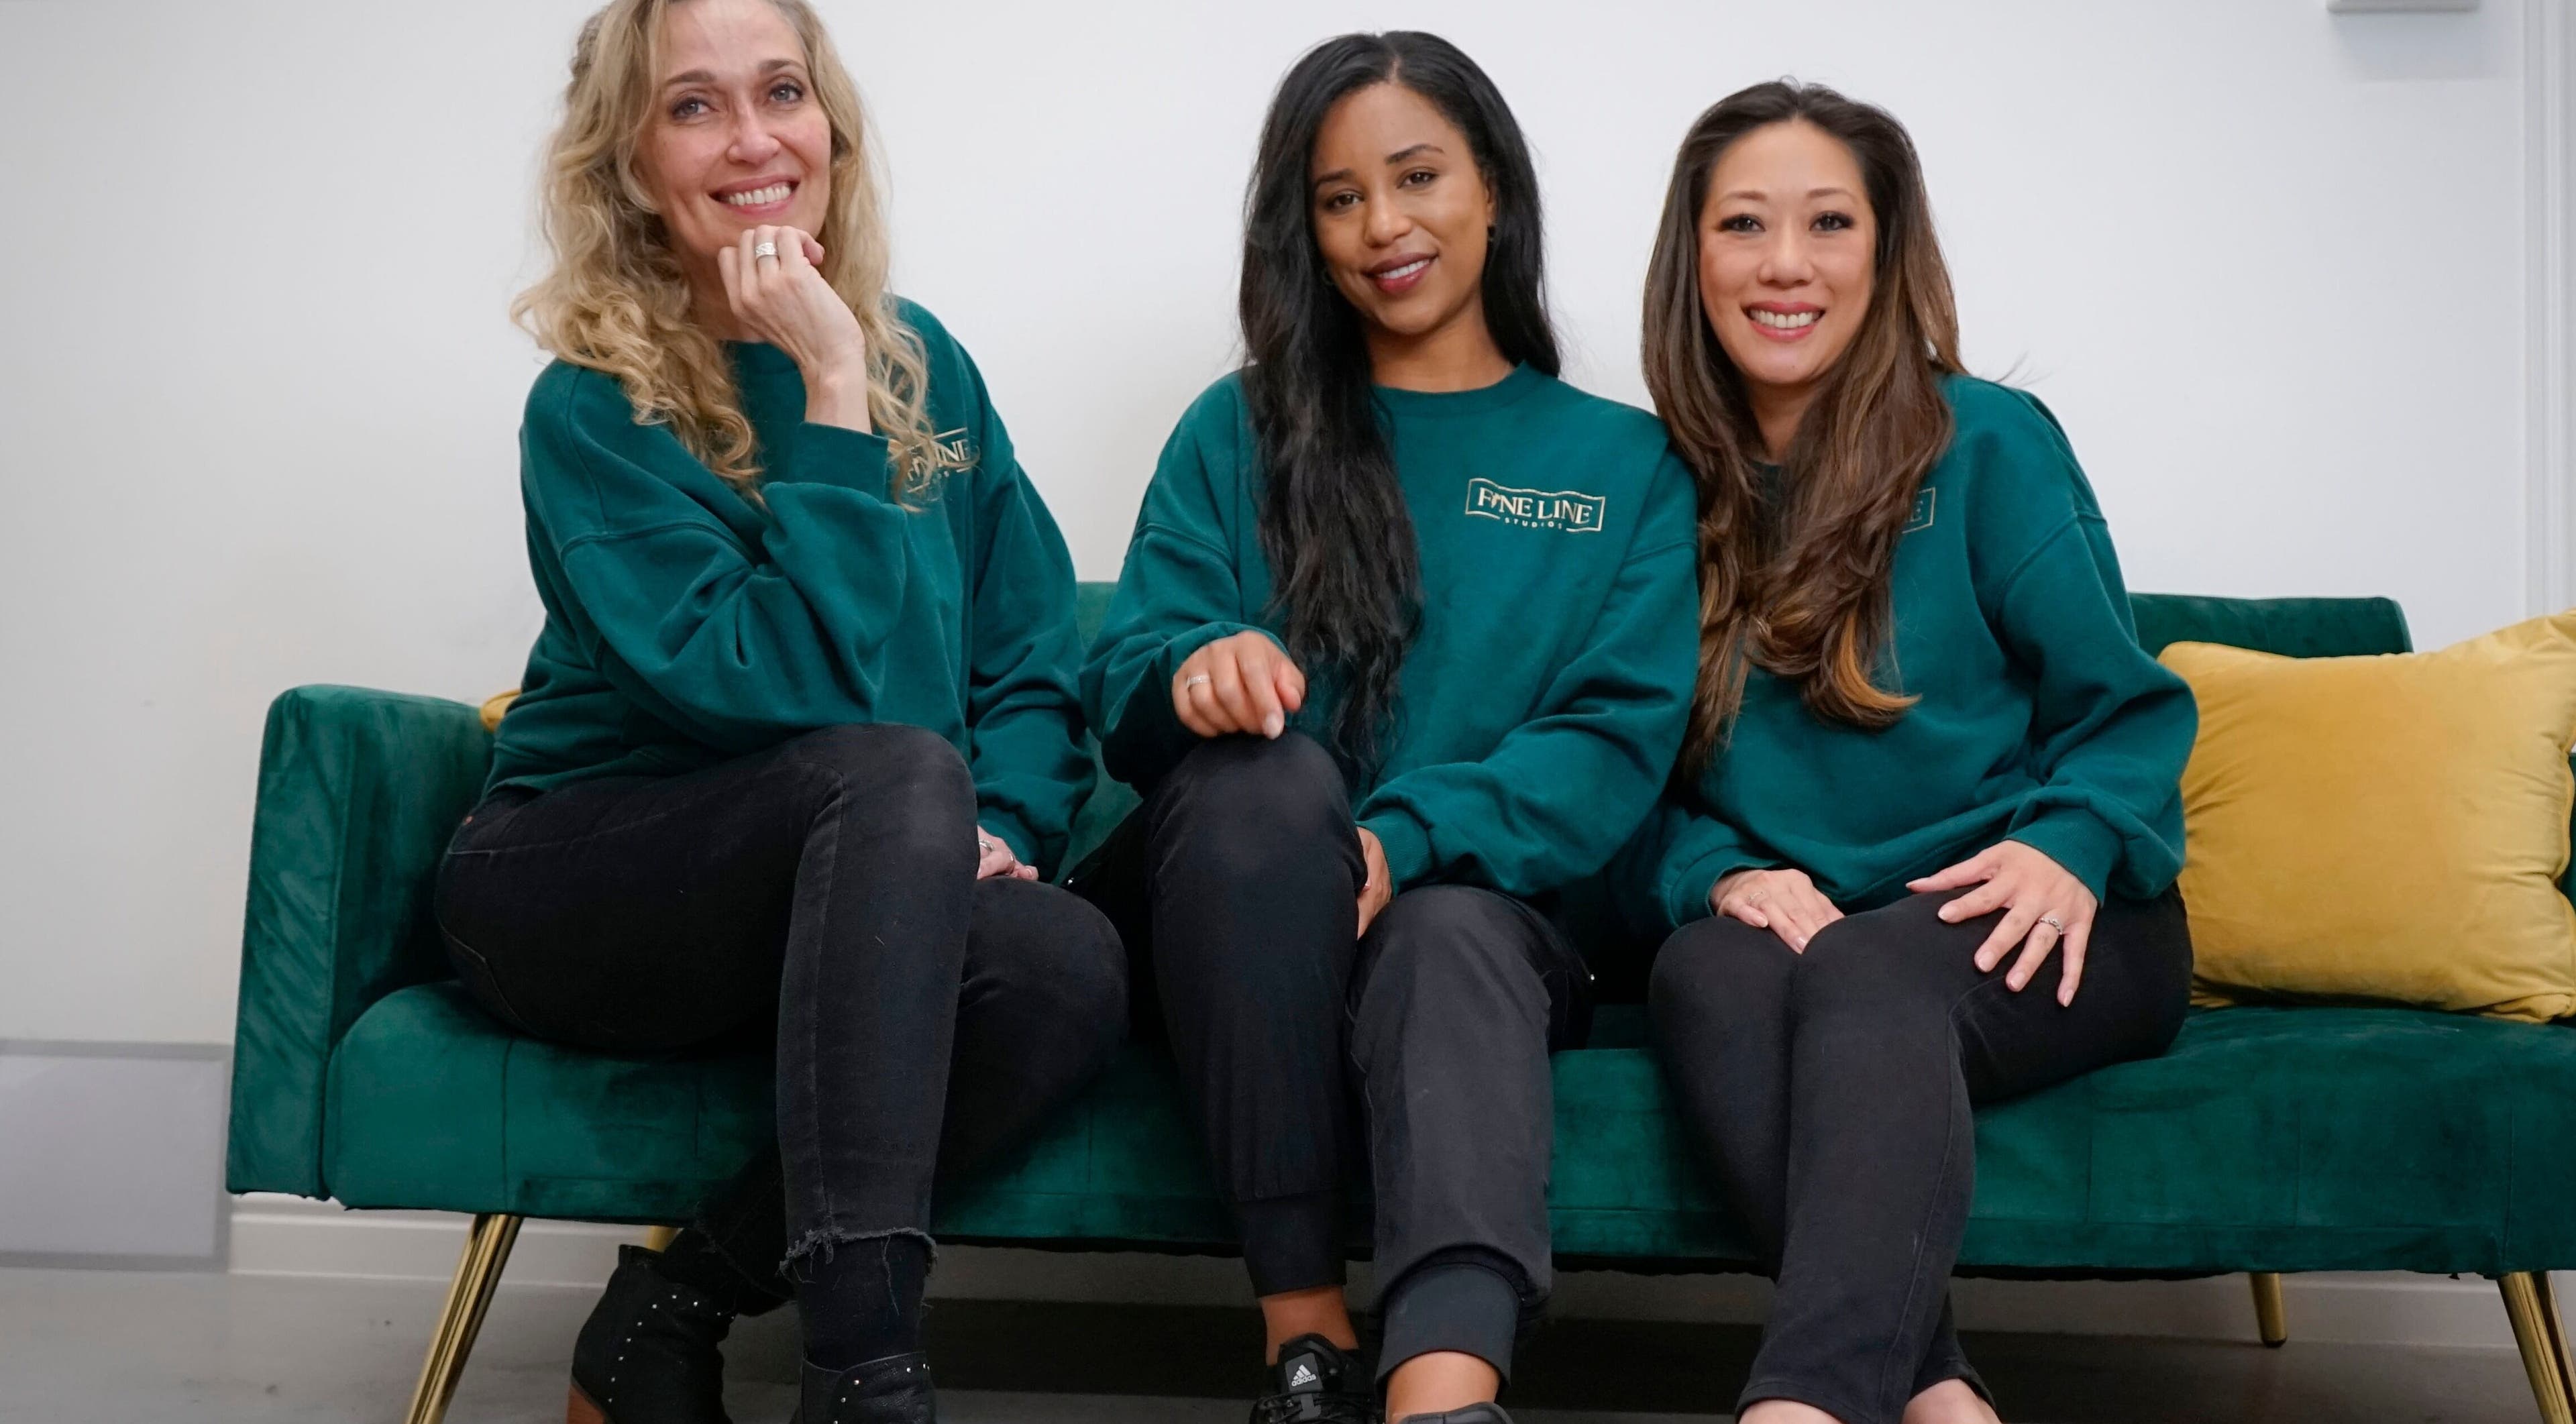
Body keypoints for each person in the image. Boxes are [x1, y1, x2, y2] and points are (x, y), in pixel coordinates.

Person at [433, 2, 1126, 1420]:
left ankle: (671, 1309)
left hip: (857, 867)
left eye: (783, 92)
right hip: (586, 885)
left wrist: (998, 824)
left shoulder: (924, 361)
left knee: (1065, 967)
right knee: (888, 776)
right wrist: (827, 386)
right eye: (694, 106)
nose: (754, 139)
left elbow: (1029, 651)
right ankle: (864, 1376)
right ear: (629, 163)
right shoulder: (592, 406)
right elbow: (779, 686)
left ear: (832, 129)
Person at [1077, 32, 1701, 1424]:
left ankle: (1443, 1393)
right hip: (1234, 909)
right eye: (1339, 197)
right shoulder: (1236, 433)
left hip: (1485, 917)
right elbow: (1122, 671)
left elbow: (1614, 744)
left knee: (1444, 928)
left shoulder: (1624, 466)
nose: (1382, 228)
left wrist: (1408, 840)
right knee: (1263, 784)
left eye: (1417, 178)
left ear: (1494, 192)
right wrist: (1193, 669)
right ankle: (1302, 1338)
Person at [1618, 81, 2198, 1424]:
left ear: (1884, 252)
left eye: (1829, 223)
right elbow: (1623, 767)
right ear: (1690, 254)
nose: (1785, 264)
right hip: (1819, 922)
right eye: (1744, 224)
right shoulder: (1655, 487)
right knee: (1706, 973)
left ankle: (1804, 1403)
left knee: (1870, 974)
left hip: (2049, 910)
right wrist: (1714, 873)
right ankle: (1936, 1394)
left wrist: (2070, 844)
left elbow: (2130, 706)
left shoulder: (1988, 443)